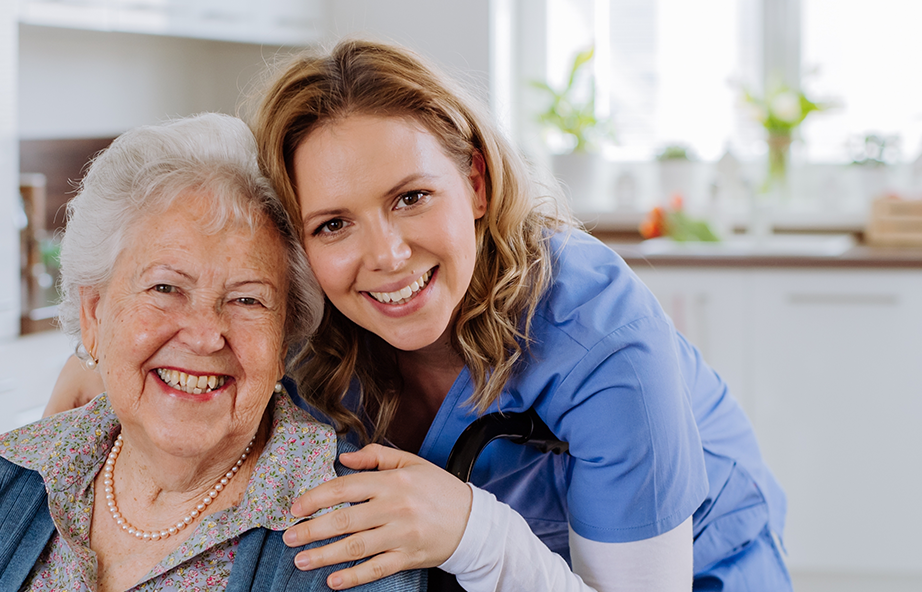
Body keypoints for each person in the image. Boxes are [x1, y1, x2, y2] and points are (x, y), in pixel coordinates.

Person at [49, 39, 790, 591]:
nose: (388, 256)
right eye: (334, 223)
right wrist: (105, 354)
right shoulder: (310, 328)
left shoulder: (600, 339)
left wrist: (474, 530)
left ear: (473, 181)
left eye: (410, 197)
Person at [4, 114, 425, 592]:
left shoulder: (354, 536)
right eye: (166, 287)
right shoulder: (18, 470)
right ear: (94, 314)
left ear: (285, 342)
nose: (205, 337)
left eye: (247, 299)